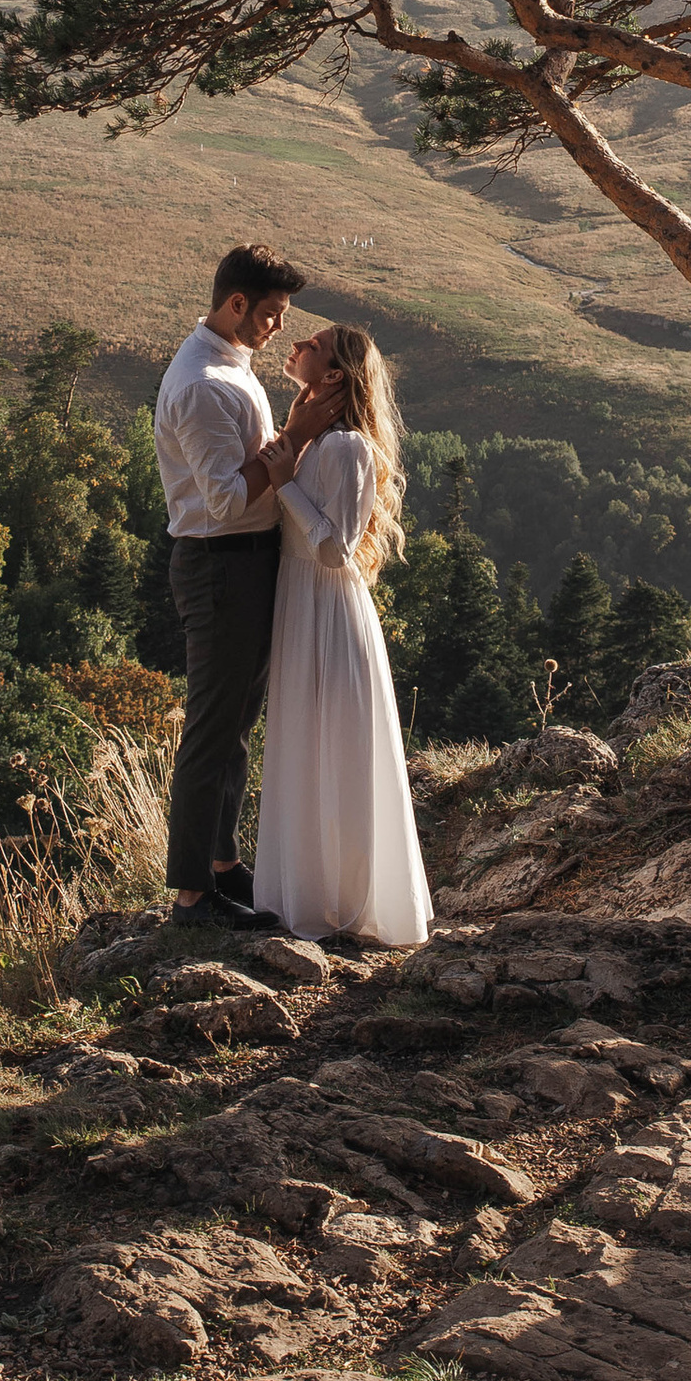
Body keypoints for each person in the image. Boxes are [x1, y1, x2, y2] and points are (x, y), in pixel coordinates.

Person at [153, 244, 341, 933]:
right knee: (211, 729)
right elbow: (227, 501)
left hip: (246, 561)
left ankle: (224, 870)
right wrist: (293, 436)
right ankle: (191, 899)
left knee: (234, 725)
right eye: (270, 314)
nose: (278, 328)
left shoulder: (231, 365)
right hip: (219, 562)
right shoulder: (202, 383)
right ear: (236, 304)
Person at [253, 323, 433, 949]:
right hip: (299, 605)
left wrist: (284, 485)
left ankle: (348, 903)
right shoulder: (311, 440)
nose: (297, 340)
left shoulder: (348, 448)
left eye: (314, 342)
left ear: (332, 375)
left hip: (328, 610)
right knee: (304, 747)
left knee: (338, 751)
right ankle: (310, 896)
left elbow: (334, 550)